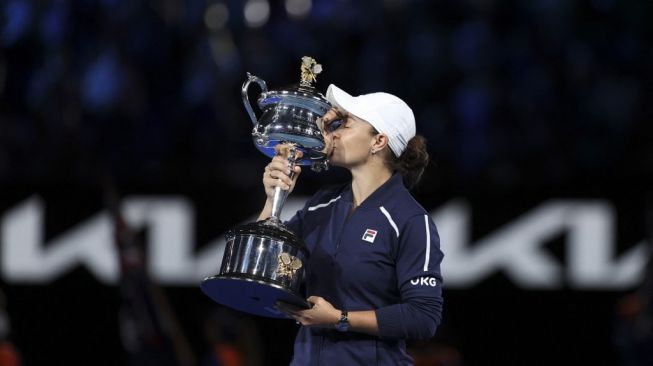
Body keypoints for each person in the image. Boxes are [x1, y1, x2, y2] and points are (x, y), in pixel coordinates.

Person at [258, 84, 444, 365]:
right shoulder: (322, 203)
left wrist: (339, 319)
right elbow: (264, 270)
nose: (330, 132)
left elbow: (424, 317)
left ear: (378, 141)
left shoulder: (410, 220)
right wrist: (273, 200)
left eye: (344, 123)